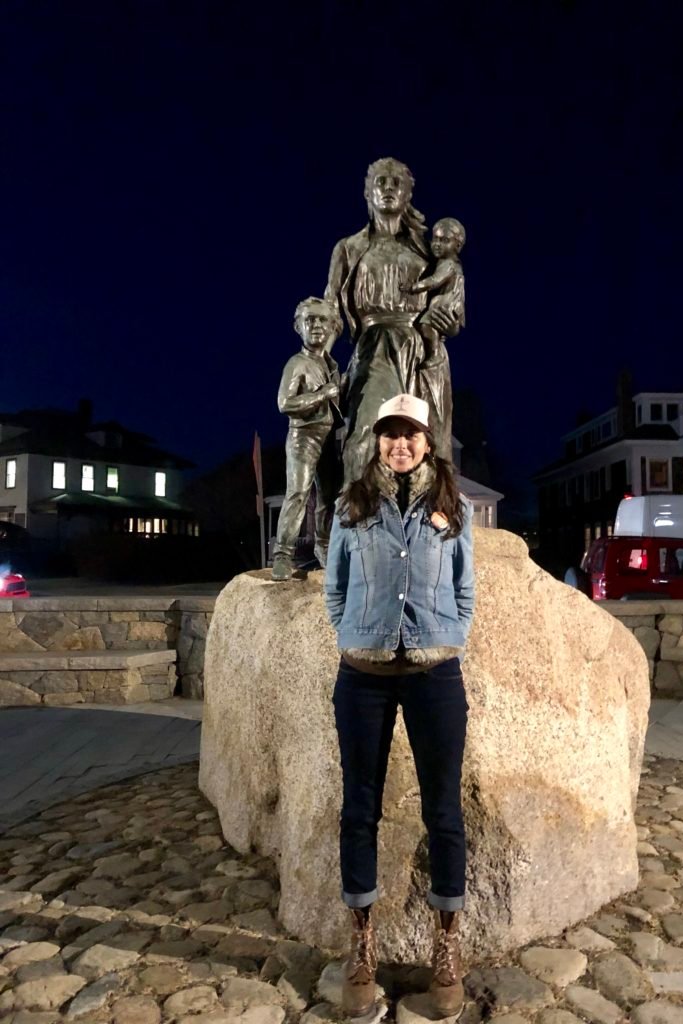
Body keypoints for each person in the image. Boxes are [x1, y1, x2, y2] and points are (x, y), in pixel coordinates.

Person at [323, 393, 475, 1019]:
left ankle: (447, 947)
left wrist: (448, 633)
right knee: (360, 808)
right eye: (390, 434)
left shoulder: (454, 508)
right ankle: (362, 944)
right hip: (363, 675)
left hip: (435, 673)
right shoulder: (351, 506)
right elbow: (335, 587)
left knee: (444, 811)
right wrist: (353, 632)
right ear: (378, 441)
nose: (400, 444)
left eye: (411, 433)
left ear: (428, 441)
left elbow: (465, 588)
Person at [324, 158, 462, 482]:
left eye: (395, 183)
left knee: (430, 437)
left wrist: (446, 318)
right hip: (375, 347)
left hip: (424, 348)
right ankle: (356, 516)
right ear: (367, 193)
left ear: (408, 194)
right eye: (380, 182)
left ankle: (435, 517)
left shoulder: (430, 250)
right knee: (367, 431)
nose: (388, 188)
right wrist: (320, 362)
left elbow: (454, 308)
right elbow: (331, 309)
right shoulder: (349, 248)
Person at [272, 297, 342, 581]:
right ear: (297, 326)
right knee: (299, 492)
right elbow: (285, 403)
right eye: (310, 320)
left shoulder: (329, 363)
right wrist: (323, 394)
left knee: (329, 496)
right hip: (304, 436)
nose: (316, 325)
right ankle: (282, 555)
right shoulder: (297, 363)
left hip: (329, 437)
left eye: (322, 320)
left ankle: (324, 547)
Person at [409, 217, 466, 369]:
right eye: (435, 239)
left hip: (443, 303)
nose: (437, 244)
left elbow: (434, 281)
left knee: (426, 325)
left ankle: (433, 354)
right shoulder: (441, 260)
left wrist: (414, 287)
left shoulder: (448, 264)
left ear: (458, 246)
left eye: (444, 240)